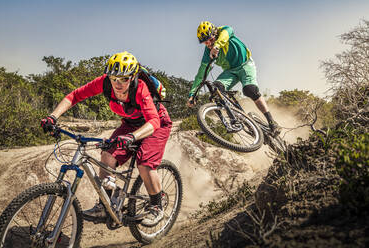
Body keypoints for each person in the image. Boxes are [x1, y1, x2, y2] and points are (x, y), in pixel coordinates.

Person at [40, 51, 172, 227]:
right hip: (131, 123)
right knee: (107, 155)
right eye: (114, 78)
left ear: (132, 77)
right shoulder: (104, 83)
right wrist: (53, 117)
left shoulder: (140, 88)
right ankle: (105, 205)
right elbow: (74, 96)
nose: (118, 83)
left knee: (144, 163)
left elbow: (154, 121)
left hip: (156, 123)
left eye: (124, 79)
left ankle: (157, 206)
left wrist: (132, 137)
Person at [187, 21, 281, 134]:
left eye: (210, 39)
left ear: (215, 33)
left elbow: (227, 32)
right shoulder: (208, 51)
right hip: (230, 71)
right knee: (216, 89)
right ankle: (237, 116)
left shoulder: (224, 31)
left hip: (245, 65)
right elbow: (201, 73)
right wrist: (192, 94)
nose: (209, 44)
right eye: (205, 42)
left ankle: (271, 122)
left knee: (250, 90)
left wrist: (216, 45)